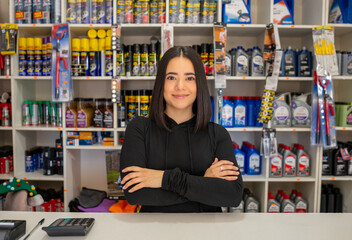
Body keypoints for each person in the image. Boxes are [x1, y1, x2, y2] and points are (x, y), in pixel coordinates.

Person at [120, 46, 243, 213]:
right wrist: (203, 183)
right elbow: (135, 194)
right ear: (160, 83)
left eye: (189, 78)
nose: (180, 86)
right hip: (153, 230)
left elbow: (232, 195)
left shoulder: (217, 134)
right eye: (171, 77)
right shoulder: (139, 129)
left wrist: (163, 179)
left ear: (199, 83)